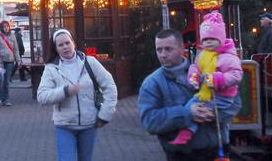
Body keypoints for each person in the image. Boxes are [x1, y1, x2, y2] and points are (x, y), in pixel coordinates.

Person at [139, 29, 238, 160]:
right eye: (159, 50)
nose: (163, 54)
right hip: (183, 155)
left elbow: (235, 103)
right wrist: (187, 114)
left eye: (168, 49)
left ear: (182, 48)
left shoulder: (207, 70)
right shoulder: (152, 83)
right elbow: (150, 121)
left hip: (218, 151)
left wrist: (213, 113)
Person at [37, 29, 117, 161]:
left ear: (73, 43)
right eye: (60, 45)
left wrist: (105, 115)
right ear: (56, 49)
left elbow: (110, 87)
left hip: (89, 124)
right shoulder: (51, 68)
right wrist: (65, 91)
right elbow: (42, 96)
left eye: (67, 43)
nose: (65, 47)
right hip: (64, 125)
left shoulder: (90, 62)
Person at [170, 11, 243, 146]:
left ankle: (190, 133)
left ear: (220, 39)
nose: (208, 42)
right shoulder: (202, 55)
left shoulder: (228, 57)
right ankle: (187, 132)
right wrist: (193, 76)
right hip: (205, 92)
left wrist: (217, 79)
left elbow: (236, 75)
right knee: (190, 106)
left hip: (222, 96)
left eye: (212, 39)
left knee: (202, 111)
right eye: (205, 40)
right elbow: (196, 67)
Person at [0, 21, 19, 106]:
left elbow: (16, 49)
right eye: (4, 27)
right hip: (1, 61)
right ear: (1, 28)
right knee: (1, 80)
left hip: (10, 61)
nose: (6, 28)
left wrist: (18, 60)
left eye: (7, 26)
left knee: (6, 81)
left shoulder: (13, 36)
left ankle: (6, 99)